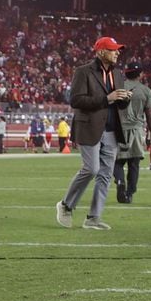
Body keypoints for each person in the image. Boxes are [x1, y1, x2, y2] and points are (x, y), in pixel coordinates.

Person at [55, 36, 131, 230]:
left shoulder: (118, 74)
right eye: (113, 49)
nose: (117, 53)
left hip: (112, 129)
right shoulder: (83, 71)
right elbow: (76, 100)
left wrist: (124, 98)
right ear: (101, 52)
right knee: (91, 169)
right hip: (89, 126)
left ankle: (93, 218)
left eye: (117, 49)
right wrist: (108, 98)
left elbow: (117, 103)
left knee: (105, 175)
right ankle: (65, 205)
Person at [113, 63, 151, 204]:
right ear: (140, 74)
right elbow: (150, 115)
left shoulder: (116, 88)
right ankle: (130, 193)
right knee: (134, 163)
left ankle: (120, 182)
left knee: (117, 161)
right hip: (137, 130)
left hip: (118, 128)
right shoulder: (146, 91)